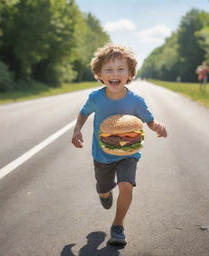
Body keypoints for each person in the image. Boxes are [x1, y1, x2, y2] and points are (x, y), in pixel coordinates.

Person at [71, 43, 167, 246]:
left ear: (130, 74)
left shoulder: (136, 101)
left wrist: (156, 125)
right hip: (102, 154)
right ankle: (103, 191)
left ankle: (118, 225)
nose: (115, 74)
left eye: (121, 69)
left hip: (129, 153)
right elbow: (83, 113)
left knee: (126, 186)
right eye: (109, 69)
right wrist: (77, 129)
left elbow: (148, 120)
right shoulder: (96, 97)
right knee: (104, 190)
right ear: (99, 74)